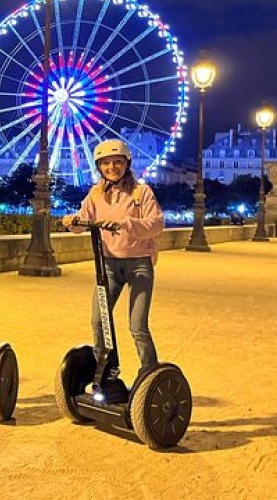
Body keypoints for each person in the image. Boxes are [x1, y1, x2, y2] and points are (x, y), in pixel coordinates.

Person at [62, 139, 165, 380]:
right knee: (99, 321)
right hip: (108, 265)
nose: (112, 167)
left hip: (139, 264)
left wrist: (127, 224)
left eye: (117, 162)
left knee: (137, 326)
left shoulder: (142, 192)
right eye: (106, 163)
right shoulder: (96, 194)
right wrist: (72, 221)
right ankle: (108, 369)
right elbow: (84, 218)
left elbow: (157, 223)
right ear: (99, 166)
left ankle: (149, 374)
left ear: (127, 164)